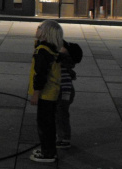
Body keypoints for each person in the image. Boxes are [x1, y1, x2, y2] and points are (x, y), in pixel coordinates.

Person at [28, 20, 63, 163]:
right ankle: (47, 149)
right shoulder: (50, 48)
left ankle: (48, 153)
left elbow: (41, 74)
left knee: (45, 125)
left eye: (39, 27)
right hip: (51, 93)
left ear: (45, 32)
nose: (36, 29)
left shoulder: (43, 51)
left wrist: (36, 93)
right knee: (48, 123)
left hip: (46, 94)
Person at [56, 40, 82, 150]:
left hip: (64, 93)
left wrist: (64, 99)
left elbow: (66, 85)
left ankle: (64, 139)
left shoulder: (63, 64)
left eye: (63, 48)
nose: (60, 47)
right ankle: (60, 136)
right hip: (64, 92)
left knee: (61, 115)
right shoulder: (65, 64)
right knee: (59, 114)